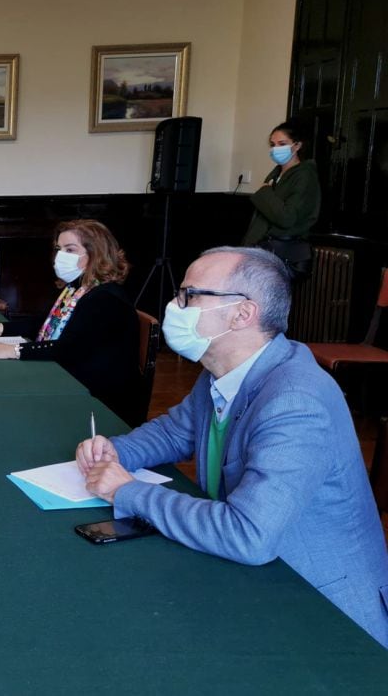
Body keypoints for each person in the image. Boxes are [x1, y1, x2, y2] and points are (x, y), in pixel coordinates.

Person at [76, 247, 388, 648]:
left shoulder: (296, 401)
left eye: (190, 295)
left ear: (243, 314)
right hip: (259, 583)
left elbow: (248, 534)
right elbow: (175, 433)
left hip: (323, 617)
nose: (175, 306)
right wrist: (113, 452)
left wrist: (127, 491)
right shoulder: (225, 370)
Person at [0, 220, 142, 425]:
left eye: (70, 249)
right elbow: (43, 323)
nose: (61, 255)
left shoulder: (105, 298)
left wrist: (12, 350)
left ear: (95, 253)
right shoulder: (77, 288)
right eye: (59, 249)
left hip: (97, 402)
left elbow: (69, 349)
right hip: (70, 378)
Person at [241, 119, 321, 279]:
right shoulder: (277, 173)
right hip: (263, 250)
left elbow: (287, 218)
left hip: (282, 253)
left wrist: (264, 192)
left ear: (297, 146)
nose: (275, 149)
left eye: (282, 143)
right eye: (273, 144)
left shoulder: (305, 175)